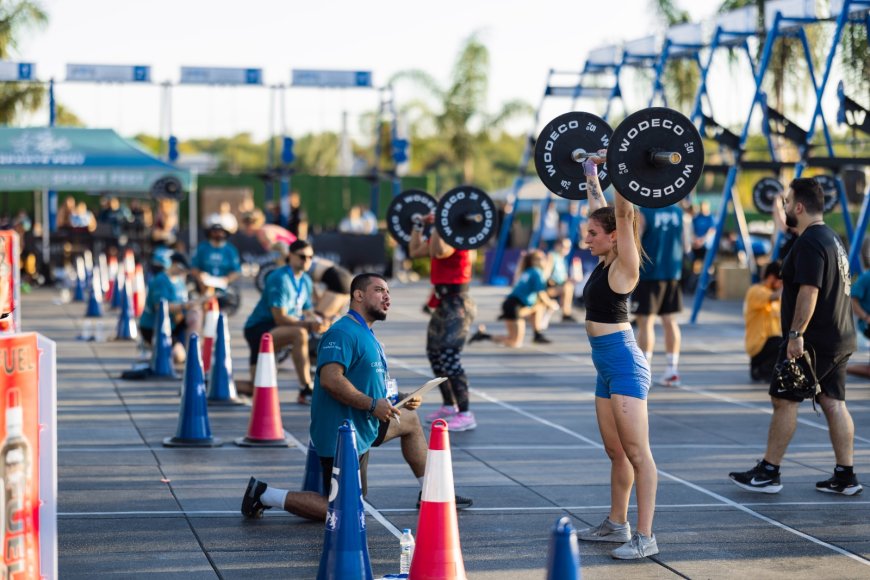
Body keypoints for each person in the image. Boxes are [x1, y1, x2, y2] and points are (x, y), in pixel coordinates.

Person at [241, 273, 472, 520]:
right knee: (347, 511)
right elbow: (331, 379)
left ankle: (431, 490)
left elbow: (373, 384)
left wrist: (402, 398)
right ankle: (264, 494)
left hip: (365, 423)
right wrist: (373, 405)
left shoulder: (367, 334)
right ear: (358, 295)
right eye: (380, 290)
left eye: (388, 292)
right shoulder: (342, 332)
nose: (387, 297)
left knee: (411, 421)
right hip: (340, 435)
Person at [729, 178, 862, 496]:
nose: (786, 207)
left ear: (799, 207)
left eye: (787, 202)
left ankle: (768, 472)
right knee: (833, 402)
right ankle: (845, 477)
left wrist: (795, 334)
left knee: (784, 400)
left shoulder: (810, 243)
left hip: (813, 341)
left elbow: (809, 291)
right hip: (839, 336)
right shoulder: (830, 238)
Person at [572, 155, 659, 559]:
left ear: (613, 236)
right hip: (604, 368)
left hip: (624, 365)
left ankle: (645, 536)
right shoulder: (604, 259)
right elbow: (602, 209)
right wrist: (592, 174)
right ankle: (617, 524)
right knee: (616, 452)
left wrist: (622, 166)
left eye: (592, 234)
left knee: (638, 454)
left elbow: (622, 212)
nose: (586, 239)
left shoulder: (625, 266)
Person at [408, 213, 478, 431]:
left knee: (449, 355)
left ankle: (466, 413)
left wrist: (438, 222)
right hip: (443, 303)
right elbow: (414, 251)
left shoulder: (458, 239)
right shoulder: (442, 236)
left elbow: (439, 251)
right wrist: (419, 225)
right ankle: (449, 405)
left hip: (458, 303)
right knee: (435, 354)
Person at [241, 239, 324, 404]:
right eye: (302, 257)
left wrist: (319, 321)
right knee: (299, 333)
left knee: (255, 388)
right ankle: (305, 388)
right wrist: (308, 325)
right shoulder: (280, 278)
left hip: (279, 329)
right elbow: (280, 317)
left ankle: (210, 386)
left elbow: (307, 310)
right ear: (291, 256)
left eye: (310, 257)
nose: (306, 261)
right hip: (260, 329)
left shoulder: (306, 280)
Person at [632, 203, 687, 387]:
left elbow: (635, 243)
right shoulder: (678, 212)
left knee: (645, 322)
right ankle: (673, 370)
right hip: (672, 272)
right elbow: (686, 245)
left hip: (649, 272)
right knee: (669, 320)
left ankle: (644, 371)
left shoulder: (644, 210)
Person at [469, 249, 559, 347]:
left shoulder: (528, 271)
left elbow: (545, 274)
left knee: (538, 307)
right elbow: (541, 293)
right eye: (541, 258)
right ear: (534, 261)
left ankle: (537, 334)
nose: (544, 260)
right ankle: (483, 336)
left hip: (510, 304)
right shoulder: (536, 273)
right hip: (515, 306)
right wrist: (551, 304)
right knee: (514, 342)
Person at [139, 249, 201, 364]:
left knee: (195, 313)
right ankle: (155, 349)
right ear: (174, 264)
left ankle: (191, 348)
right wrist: (184, 306)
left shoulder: (180, 282)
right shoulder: (161, 281)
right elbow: (160, 307)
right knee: (178, 357)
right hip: (155, 326)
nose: (184, 274)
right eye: (182, 270)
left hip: (173, 323)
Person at [744, 261, 783, 382]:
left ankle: (768, 370)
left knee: (786, 341)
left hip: (770, 343)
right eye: (780, 281)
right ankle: (761, 370)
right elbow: (772, 297)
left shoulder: (775, 294)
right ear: (771, 278)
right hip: (758, 345)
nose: (781, 285)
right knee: (782, 344)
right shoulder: (755, 291)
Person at [190, 214, 242, 295]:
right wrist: (200, 276)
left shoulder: (230, 250)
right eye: (215, 232)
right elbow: (194, 267)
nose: (218, 234)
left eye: (221, 232)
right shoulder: (202, 248)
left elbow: (236, 271)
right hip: (204, 288)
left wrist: (226, 279)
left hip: (224, 289)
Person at [546, 237, 578, 323]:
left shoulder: (562, 259)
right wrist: (550, 281)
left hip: (558, 286)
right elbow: (546, 274)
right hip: (548, 288)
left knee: (569, 286)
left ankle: (566, 312)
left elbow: (562, 278)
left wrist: (571, 279)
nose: (567, 249)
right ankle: (566, 314)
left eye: (569, 247)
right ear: (557, 246)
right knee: (568, 288)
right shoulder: (551, 256)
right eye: (564, 246)